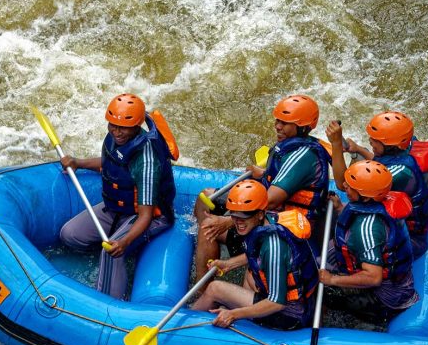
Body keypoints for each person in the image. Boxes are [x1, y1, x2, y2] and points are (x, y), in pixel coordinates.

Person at [193, 94, 331, 279]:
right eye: (278, 120)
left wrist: (228, 221)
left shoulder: (303, 156)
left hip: (282, 225)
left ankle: (205, 289)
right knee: (206, 197)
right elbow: (283, 177)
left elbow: (271, 200)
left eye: (285, 123)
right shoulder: (293, 144)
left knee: (207, 229)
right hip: (266, 212)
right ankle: (211, 250)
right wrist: (265, 173)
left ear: (302, 126)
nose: (277, 126)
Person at [59, 93, 177, 300]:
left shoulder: (146, 160)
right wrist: (78, 162)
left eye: (123, 127)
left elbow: (146, 215)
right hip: (117, 209)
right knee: (69, 234)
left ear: (137, 126)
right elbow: (110, 163)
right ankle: (119, 259)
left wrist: (125, 242)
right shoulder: (114, 139)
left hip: (150, 215)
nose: (116, 131)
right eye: (112, 125)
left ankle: (106, 305)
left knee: (111, 253)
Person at [191, 180, 319, 330]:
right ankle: (247, 316)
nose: (238, 222)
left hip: (290, 315)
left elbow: (277, 302)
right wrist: (228, 264)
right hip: (294, 301)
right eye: (234, 215)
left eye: (244, 216)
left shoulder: (273, 247)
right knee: (250, 273)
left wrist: (234, 314)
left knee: (215, 288)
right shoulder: (269, 220)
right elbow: (255, 254)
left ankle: (186, 325)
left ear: (259, 214)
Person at [318, 160, 419, 325]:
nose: (344, 186)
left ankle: (331, 326)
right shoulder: (379, 202)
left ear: (364, 196)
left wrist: (332, 280)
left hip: (386, 300)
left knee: (321, 289)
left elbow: (373, 277)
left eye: (350, 186)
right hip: (397, 283)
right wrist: (339, 208)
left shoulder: (367, 229)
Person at [325, 111, 428, 258]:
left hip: (408, 241)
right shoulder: (403, 147)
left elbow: (343, 184)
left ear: (389, 146)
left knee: (329, 255)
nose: (370, 141)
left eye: (375, 140)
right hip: (400, 228)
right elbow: (381, 165)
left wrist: (336, 144)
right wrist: (358, 149)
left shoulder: (401, 173)